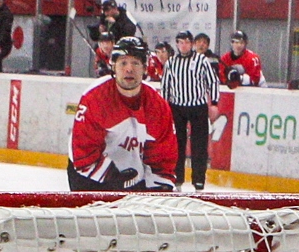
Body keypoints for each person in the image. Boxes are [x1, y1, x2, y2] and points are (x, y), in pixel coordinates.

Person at [67, 36, 176, 191]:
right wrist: (114, 178)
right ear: (113, 66)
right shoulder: (96, 97)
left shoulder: (157, 105)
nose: (129, 69)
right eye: (123, 63)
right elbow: (83, 153)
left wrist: (159, 186)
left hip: (134, 180)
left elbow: (163, 157)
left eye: (135, 63)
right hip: (89, 177)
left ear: (145, 68)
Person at [162, 30, 221, 191]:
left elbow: (212, 82)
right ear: (177, 44)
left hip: (198, 107)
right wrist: (165, 107)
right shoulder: (171, 62)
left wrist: (214, 103)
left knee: (199, 145)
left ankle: (199, 182)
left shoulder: (201, 60)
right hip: (177, 107)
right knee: (177, 145)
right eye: (181, 42)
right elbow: (166, 86)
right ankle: (177, 180)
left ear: (192, 44)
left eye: (187, 42)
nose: (184, 45)